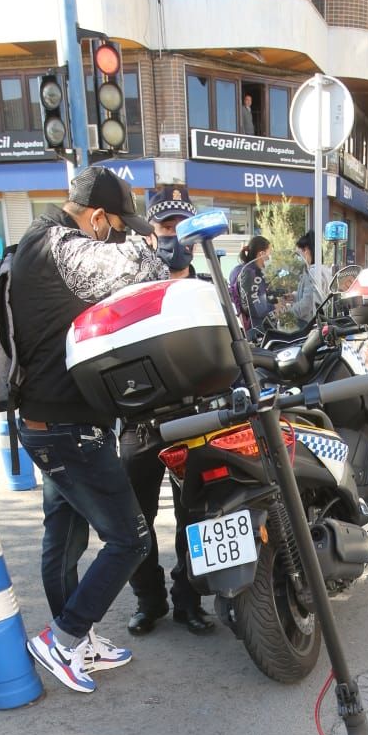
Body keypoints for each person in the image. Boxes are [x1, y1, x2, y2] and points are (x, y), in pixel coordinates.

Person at [10, 165, 168, 694]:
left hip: (48, 423)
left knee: (67, 534)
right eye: (117, 225)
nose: (120, 233)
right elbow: (143, 267)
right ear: (97, 217)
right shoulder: (63, 244)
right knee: (130, 538)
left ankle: (78, 637)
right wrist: (145, 241)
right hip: (67, 429)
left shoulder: (35, 241)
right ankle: (65, 638)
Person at [118, 193, 216, 638]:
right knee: (136, 521)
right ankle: (149, 602)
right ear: (150, 232)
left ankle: (188, 602)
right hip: (141, 425)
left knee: (193, 519)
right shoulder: (130, 290)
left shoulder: (208, 291)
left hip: (192, 422)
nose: (174, 236)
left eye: (181, 227)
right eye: (165, 228)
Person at [236, 235, 279, 336]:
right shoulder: (250, 273)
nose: (270, 257)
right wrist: (274, 306)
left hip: (262, 327)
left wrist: (275, 300)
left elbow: (260, 296)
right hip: (256, 331)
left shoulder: (257, 272)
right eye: (270, 253)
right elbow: (253, 306)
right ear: (261, 253)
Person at [291, 230, 331, 328]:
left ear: (306, 250)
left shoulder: (313, 273)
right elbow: (315, 296)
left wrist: (287, 313)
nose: (298, 257)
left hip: (309, 326)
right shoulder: (323, 270)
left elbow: (306, 306)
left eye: (299, 253)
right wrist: (294, 296)